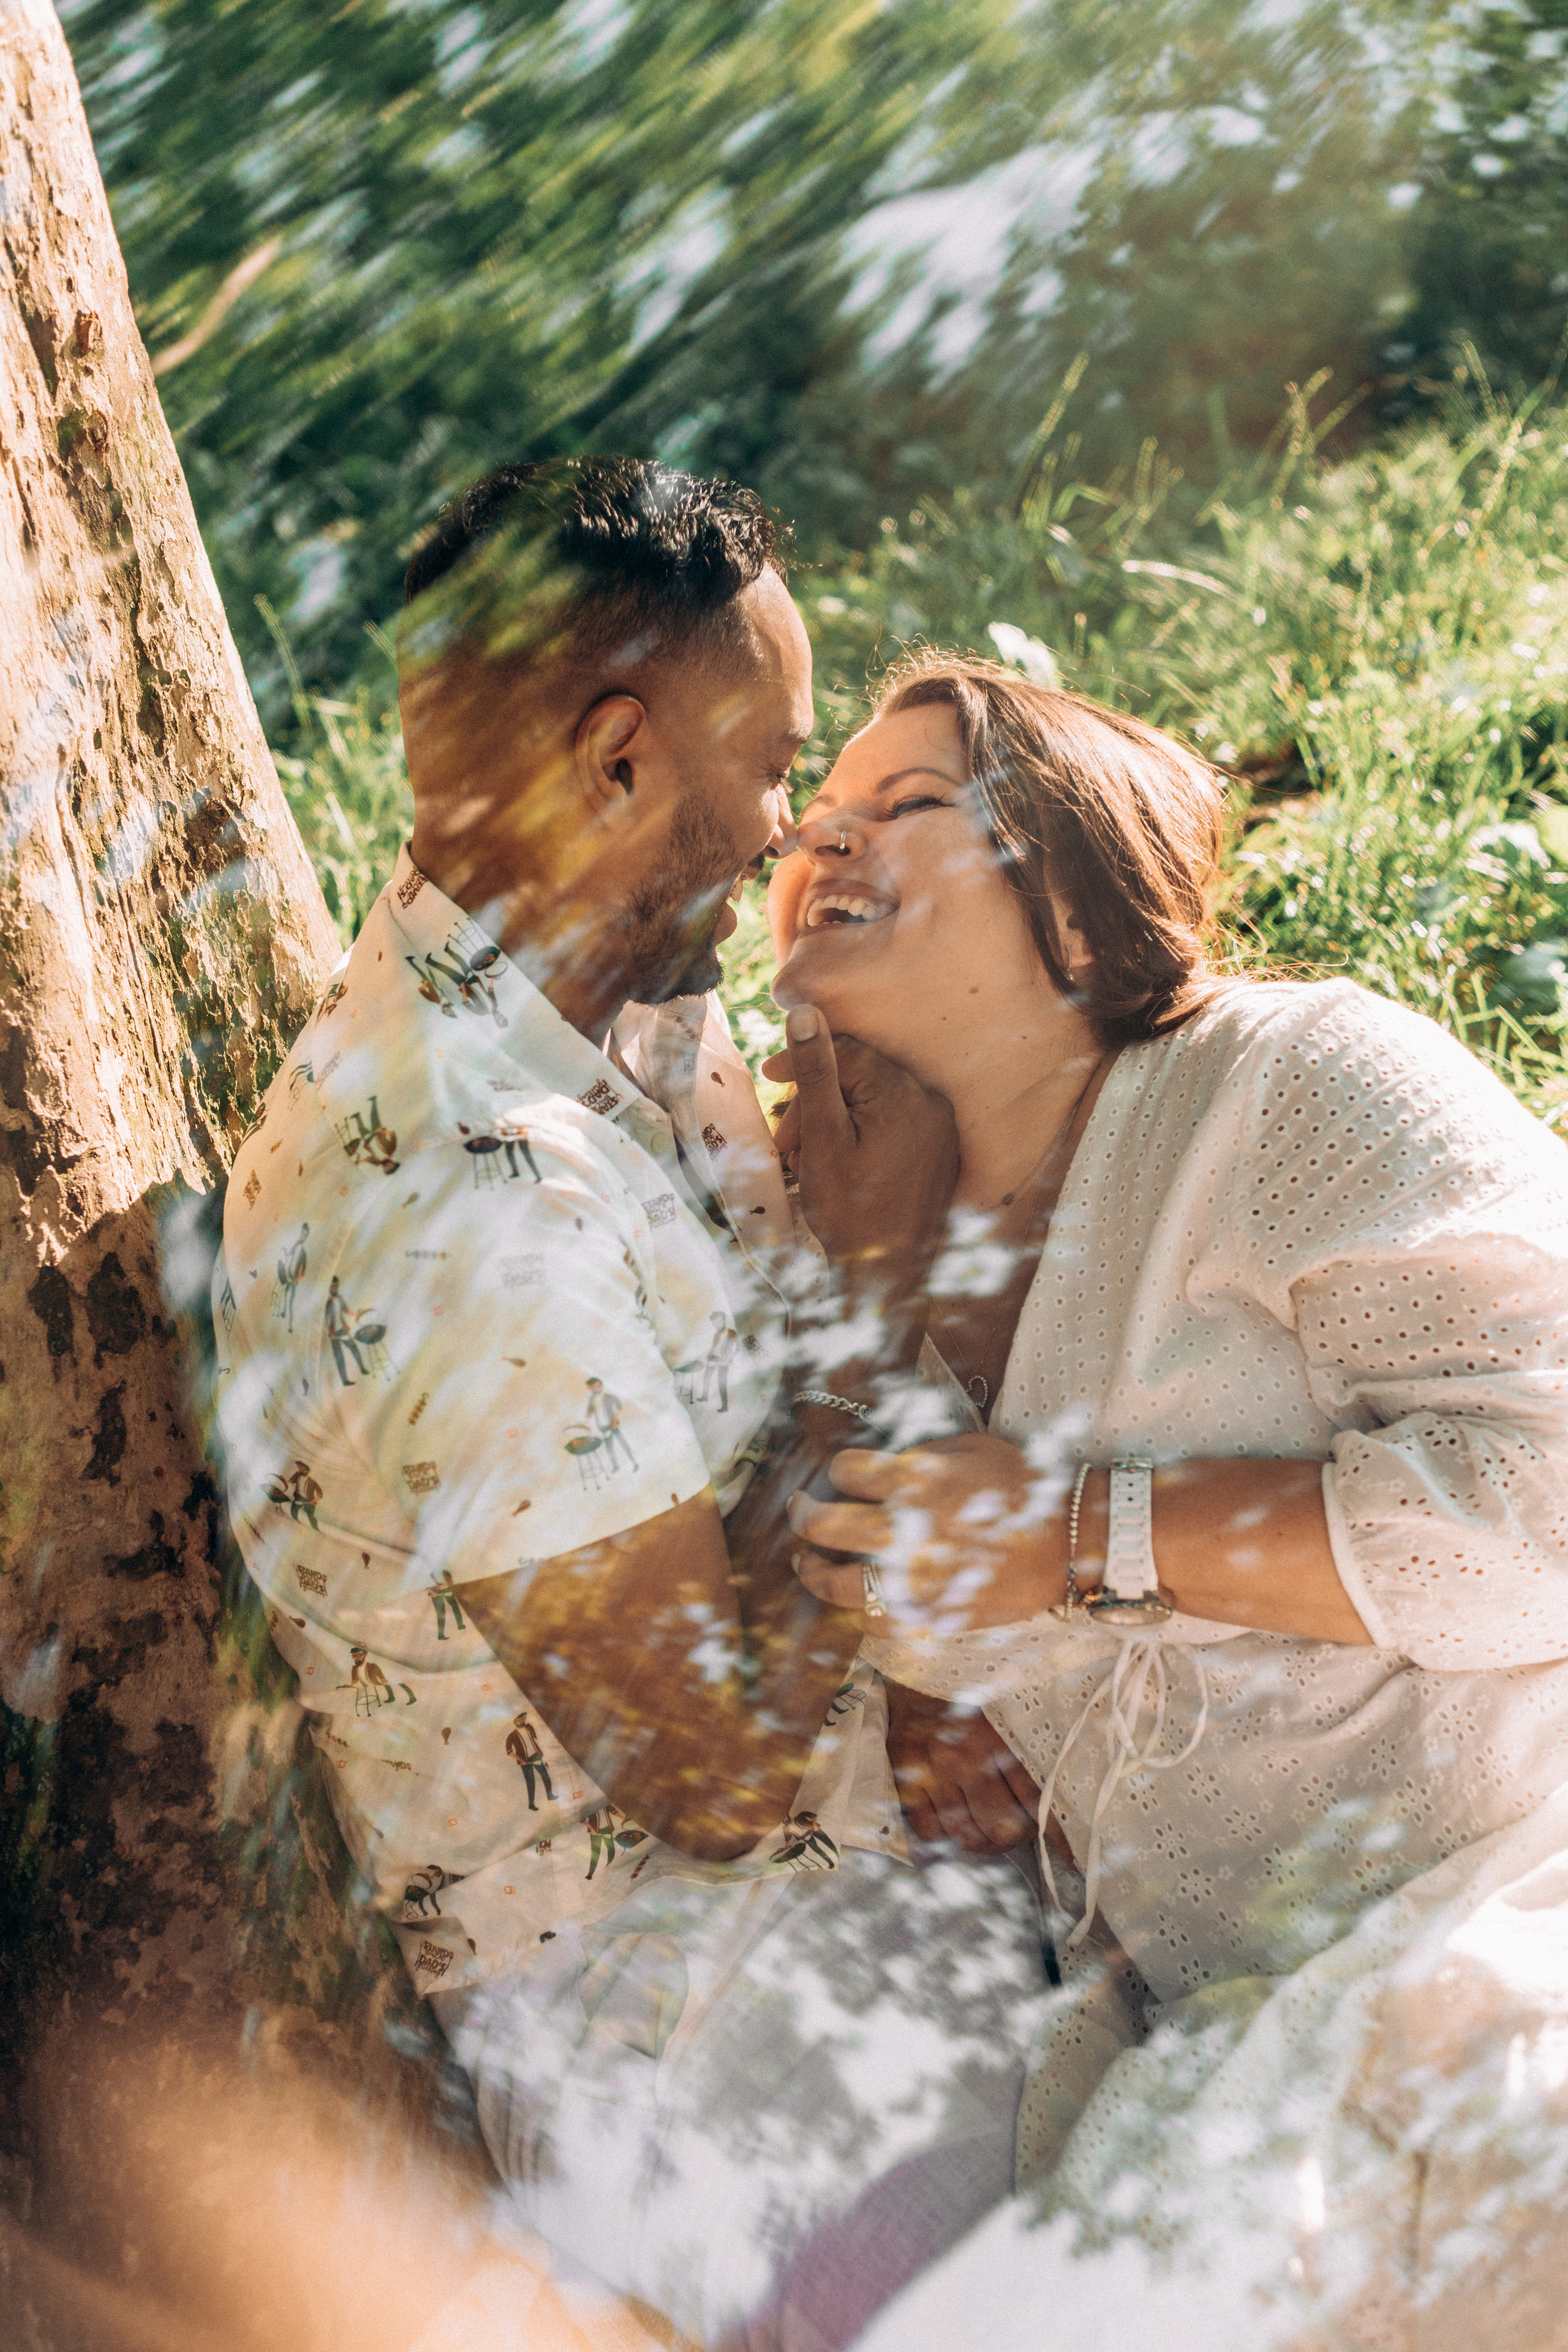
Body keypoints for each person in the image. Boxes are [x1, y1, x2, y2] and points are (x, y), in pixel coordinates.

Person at [213, 464, 1052, 2350]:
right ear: (614, 762)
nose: (790, 827)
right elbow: (714, 1781)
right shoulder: (463, 1203)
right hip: (690, 2021)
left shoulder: (622, 994)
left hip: (887, 1840)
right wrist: (878, 1291)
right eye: (775, 768)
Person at [774, 651, 1568, 2343]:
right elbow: (937, 1699)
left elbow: (1547, 1513)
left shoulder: (1290, 1083)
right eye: (816, 814)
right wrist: (868, 1299)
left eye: (909, 804)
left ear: (1075, 893)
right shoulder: (858, 1239)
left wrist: (1080, 1535)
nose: (824, 842)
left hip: (1522, 1880)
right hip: (1241, 2019)